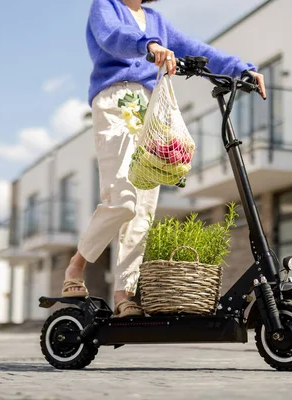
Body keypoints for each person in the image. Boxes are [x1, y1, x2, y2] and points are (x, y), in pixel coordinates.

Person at [61, 0, 266, 317]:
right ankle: (77, 266)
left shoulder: (157, 20)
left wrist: (242, 69)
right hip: (115, 101)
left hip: (150, 107)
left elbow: (195, 48)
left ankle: (124, 293)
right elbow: (112, 36)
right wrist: (149, 45)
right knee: (123, 198)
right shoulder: (106, 5)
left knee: (143, 209)